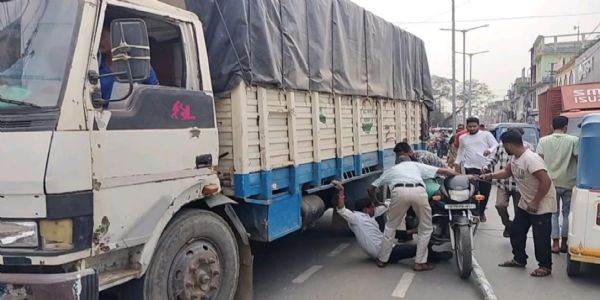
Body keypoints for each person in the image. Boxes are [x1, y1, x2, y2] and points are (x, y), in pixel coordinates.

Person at [481, 130, 556, 277]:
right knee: (516, 231)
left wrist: (535, 202)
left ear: (509, 145)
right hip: (526, 201)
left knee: (540, 237)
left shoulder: (531, 159)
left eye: (504, 145)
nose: (504, 148)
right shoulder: (515, 158)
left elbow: (545, 181)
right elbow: (507, 172)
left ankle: (545, 266)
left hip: (542, 203)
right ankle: (519, 259)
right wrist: (490, 176)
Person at [368, 154, 459, 270]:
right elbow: (444, 171)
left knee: (390, 227)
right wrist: (464, 176)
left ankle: (382, 259)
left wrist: (376, 202)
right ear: (409, 160)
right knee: (426, 228)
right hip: (418, 191)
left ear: (397, 162)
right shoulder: (416, 165)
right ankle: (419, 263)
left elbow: (371, 188)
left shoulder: (391, 170)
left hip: (399, 191)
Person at [331, 181, 451, 264]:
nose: (375, 208)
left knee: (391, 231)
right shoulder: (357, 219)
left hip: (385, 247)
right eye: (373, 207)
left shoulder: (369, 216)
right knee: (421, 246)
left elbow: (386, 205)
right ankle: (436, 257)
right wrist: (341, 192)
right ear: (366, 209)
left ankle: (419, 238)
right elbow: (342, 210)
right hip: (384, 252)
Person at [536, 116, 579, 254]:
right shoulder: (574, 140)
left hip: (549, 183)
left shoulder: (543, 141)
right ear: (566, 127)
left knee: (553, 214)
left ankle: (554, 244)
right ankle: (564, 243)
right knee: (566, 214)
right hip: (569, 183)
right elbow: (578, 158)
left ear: (551, 127)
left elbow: (539, 161)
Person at [484, 128, 534, 238]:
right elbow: (493, 160)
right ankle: (507, 224)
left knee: (519, 211)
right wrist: (486, 167)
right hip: (503, 183)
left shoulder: (527, 148)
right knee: (500, 205)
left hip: (519, 185)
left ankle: (517, 232)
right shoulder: (501, 146)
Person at [99, 19, 159, 100]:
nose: (100, 41)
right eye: (98, 37)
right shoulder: (96, 64)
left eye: (103, 36)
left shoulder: (139, 62)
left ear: (116, 37)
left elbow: (155, 91)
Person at [455, 117, 498, 222]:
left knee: (485, 192)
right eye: (470, 126)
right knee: (472, 192)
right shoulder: (463, 138)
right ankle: (475, 212)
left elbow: (495, 144)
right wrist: (456, 163)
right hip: (470, 168)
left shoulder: (486, 134)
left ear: (478, 126)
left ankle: (481, 211)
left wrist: (490, 149)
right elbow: (460, 152)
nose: (472, 128)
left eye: (474, 126)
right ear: (467, 127)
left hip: (485, 167)